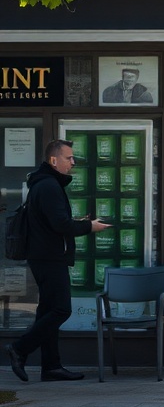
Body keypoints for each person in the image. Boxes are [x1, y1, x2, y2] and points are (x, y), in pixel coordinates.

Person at [6, 139, 111, 381]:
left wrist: (79, 222)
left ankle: (51, 366)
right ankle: (19, 348)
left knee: (47, 312)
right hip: (49, 257)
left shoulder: (44, 184)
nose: (73, 162)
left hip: (44, 255)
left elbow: (54, 222)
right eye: (69, 158)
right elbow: (60, 225)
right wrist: (89, 226)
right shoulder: (49, 186)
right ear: (54, 160)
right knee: (61, 309)